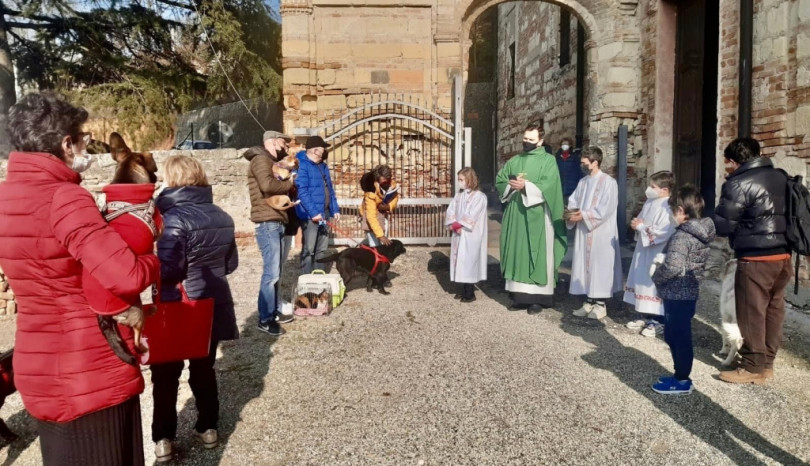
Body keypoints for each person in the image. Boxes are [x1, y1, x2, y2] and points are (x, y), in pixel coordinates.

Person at [0, 92, 158, 465]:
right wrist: (154, 259)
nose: (87, 143)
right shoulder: (65, 198)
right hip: (88, 369)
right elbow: (126, 275)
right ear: (65, 144)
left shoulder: (6, 196)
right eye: (84, 137)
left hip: (38, 362)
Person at [150, 155, 239, 461]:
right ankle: (209, 427)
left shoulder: (172, 218)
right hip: (212, 301)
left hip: (178, 304)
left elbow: (169, 270)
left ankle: (163, 437)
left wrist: (145, 266)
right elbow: (231, 264)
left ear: (171, 180)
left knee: (165, 374)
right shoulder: (223, 215)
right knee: (203, 368)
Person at [714, 137, 792, 384]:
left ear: (732, 161)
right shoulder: (782, 177)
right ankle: (767, 364)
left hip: (755, 256)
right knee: (773, 309)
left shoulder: (738, 183)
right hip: (784, 255)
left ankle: (751, 366)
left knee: (751, 311)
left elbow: (724, 225)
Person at [495, 123, 567, 314]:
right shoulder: (515, 160)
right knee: (518, 251)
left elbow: (550, 185)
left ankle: (538, 299)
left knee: (537, 252)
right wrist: (511, 185)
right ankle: (519, 297)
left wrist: (526, 186)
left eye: (531, 140)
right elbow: (500, 180)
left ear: (540, 141)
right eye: (525, 139)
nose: (526, 142)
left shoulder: (548, 160)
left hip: (538, 213)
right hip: (516, 213)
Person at [651, 185, 716, 395]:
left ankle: (681, 380)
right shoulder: (701, 233)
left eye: (672, 211)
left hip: (676, 292)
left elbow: (673, 267)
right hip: (690, 292)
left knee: (677, 336)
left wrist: (656, 277)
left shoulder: (682, 236)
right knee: (679, 334)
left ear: (680, 210)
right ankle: (680, 374)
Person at [245, 142, 297, 337]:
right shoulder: (260, 160)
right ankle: (265, 319)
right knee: (271, 273)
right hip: (267, 222)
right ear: (272, 142)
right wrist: (290, 183)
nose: (284, 147)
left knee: (276, 271)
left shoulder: (270, 161)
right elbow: (267, 186)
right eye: (282, 143)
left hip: (276, 219)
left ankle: (272, 313)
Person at [566, 146, 623, 319]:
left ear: (595, 162)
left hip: (601, 231)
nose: (581, 165)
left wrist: (582, 215)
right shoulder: (583, 182)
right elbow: (573, 200)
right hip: (584, 230)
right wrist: (571, 213)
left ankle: (600, 305)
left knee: (600, 265)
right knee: (585, 265)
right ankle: (589, 301)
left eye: (584, 163)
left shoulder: (609, 183)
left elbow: (606, 208)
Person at [623, 171, 677, 336]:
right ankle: (644, 316)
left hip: (656, 251)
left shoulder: (668, 206)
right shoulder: (650, 202)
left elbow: (663, 232)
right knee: (641, 280)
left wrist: (640, 227)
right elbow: (641, 219)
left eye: (653, 187)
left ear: (665, 189)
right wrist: (636, 224)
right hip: (643, 249)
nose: (649, 189)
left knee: (653, 284)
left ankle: (658, 321)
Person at [295, 136, 340, 274]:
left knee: (322, 248)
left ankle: (319, 276)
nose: (325, 151)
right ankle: (306, 279)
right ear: (315, 150)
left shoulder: (323, 166)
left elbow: (329, 189)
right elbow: (301, 191)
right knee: (309, 249)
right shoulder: (301, 164)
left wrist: (334, 209)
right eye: (323, 148)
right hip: (311, 215)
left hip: (324, 213)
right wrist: (314, 213)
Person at [445, 167, 488, 303]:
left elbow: (473, 214)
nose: (459, 182)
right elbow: (451, 209)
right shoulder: (459, 195)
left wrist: (460, 225)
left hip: (470, 234)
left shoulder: (479, 196)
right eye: (458, 180)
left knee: (468, 261)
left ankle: (470, 293)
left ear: (470, 179)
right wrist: (453, 224)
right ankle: (462, 289)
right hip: (458, 234)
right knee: (459, 261)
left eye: (461, 180)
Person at [360, 165, 399, 247]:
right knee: (375, 246)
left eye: (388, 180)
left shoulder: (391, 185)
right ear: (377, 180)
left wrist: (388, 206)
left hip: (383, 215)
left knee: (383, 244)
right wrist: (381, 236)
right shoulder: (370, 191)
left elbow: (395, 198)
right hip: (370, 218)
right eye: (383, 181)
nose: (386, 182)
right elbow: (370, 216)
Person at [555, 136, 583, 204]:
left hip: (572, 187)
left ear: (570, 145)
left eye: (566, 144)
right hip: (560, 187)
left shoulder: (574, 157)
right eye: (563, 144)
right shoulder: (557, 157)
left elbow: (579, 172)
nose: (564, 145)